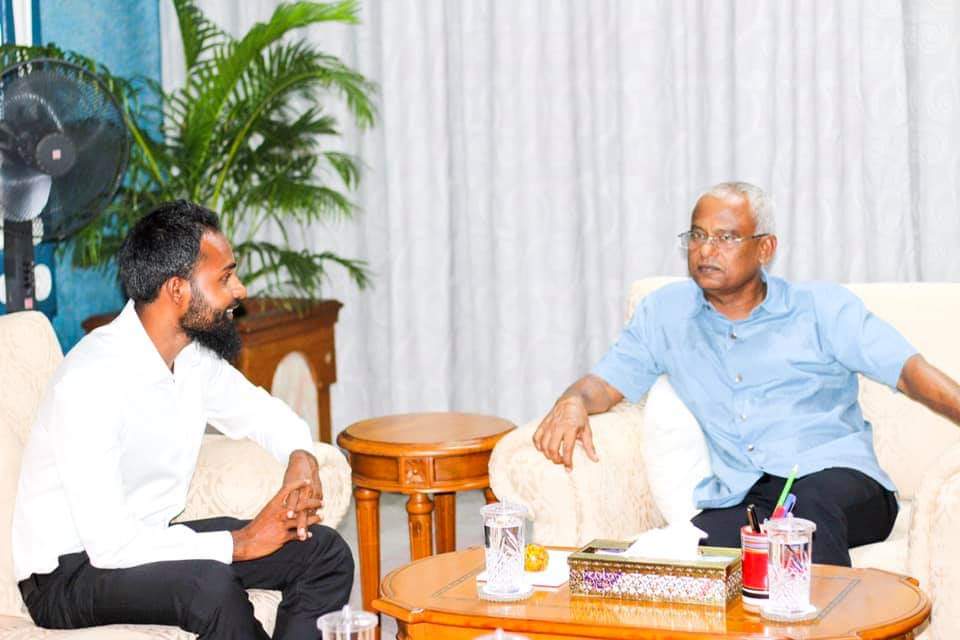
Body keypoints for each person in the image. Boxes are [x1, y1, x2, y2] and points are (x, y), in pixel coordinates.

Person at [532, 181, 960, 566]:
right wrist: (572, 401)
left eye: (725, 237)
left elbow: (910, 373)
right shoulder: (664, 314)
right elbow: (604, 384)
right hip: (746, 497)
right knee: (675, 556)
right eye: (697, 236)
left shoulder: (822, 308)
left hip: (842, 483)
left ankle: (829, 620)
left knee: (799, 518)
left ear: (765, 248)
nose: (705, 250)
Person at [12, 201, 354, 639]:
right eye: (225, 278)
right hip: (70, 573)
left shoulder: (191, 358)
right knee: (209, 587)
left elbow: (263, 413)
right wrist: (243, 542)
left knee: (324, 552)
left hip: (150, 540)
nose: (240, 290)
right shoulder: (89, 382)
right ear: (177, 289)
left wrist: (300, 456)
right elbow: (111, 545)